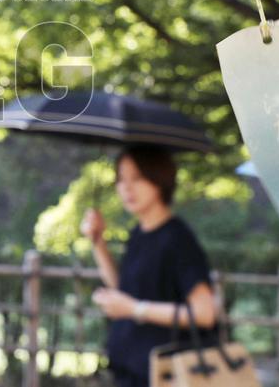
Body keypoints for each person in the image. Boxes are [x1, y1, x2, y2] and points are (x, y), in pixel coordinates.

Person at [80, 146, 216, 387]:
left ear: (160, 179)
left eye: (137, 178)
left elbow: (204, 313)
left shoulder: (177, 239)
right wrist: (98, 241)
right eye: (121, 179)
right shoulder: (139, 234)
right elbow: (126, 289)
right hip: (130, 374)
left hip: (165, 377)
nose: (126, 188)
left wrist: (135, 309)